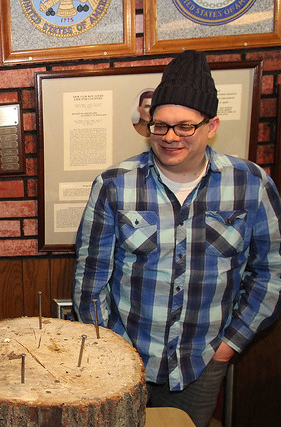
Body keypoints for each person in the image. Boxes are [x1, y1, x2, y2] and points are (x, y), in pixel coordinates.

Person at [73, 50, 281, 426]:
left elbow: (271, 272)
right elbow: (91, 280)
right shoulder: (114, 185)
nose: (170, 137)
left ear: (211, 125)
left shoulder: (251, 184)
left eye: (185, 126)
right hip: (123, 362)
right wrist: (111, 348)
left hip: (201, 365)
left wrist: (229, 345)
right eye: (161, 126)